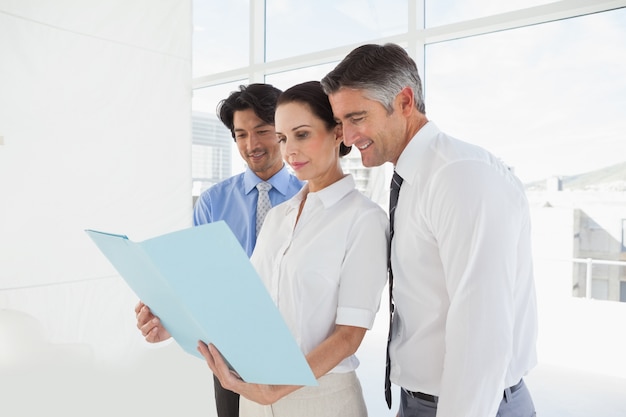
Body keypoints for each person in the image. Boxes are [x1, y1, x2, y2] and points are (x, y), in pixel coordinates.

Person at [321, 43, 538, 417]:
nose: (347, 136)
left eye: (357, 118)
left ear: (405, 102)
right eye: (341, 123)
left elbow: (481, 332)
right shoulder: (412, 177)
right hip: (421, 402)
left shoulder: (459, 175)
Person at [197, 80, 389, 417]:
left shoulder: (364, 219)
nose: (289, 151)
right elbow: (246, 298)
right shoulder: (278, 217)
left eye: (302, 134)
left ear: (337, 132)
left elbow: (349, 336)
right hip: (255, 394)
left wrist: (274, 387)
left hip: (321, 400)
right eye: (284, 138)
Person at [135, 83, 304, 417]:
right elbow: (199, 282)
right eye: (240, 134)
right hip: (230, 353)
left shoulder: (308, 197)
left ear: (282, 131)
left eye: (262, 131)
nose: (251, 145)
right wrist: (170, 320)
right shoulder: (214, 201)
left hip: (295, 349)